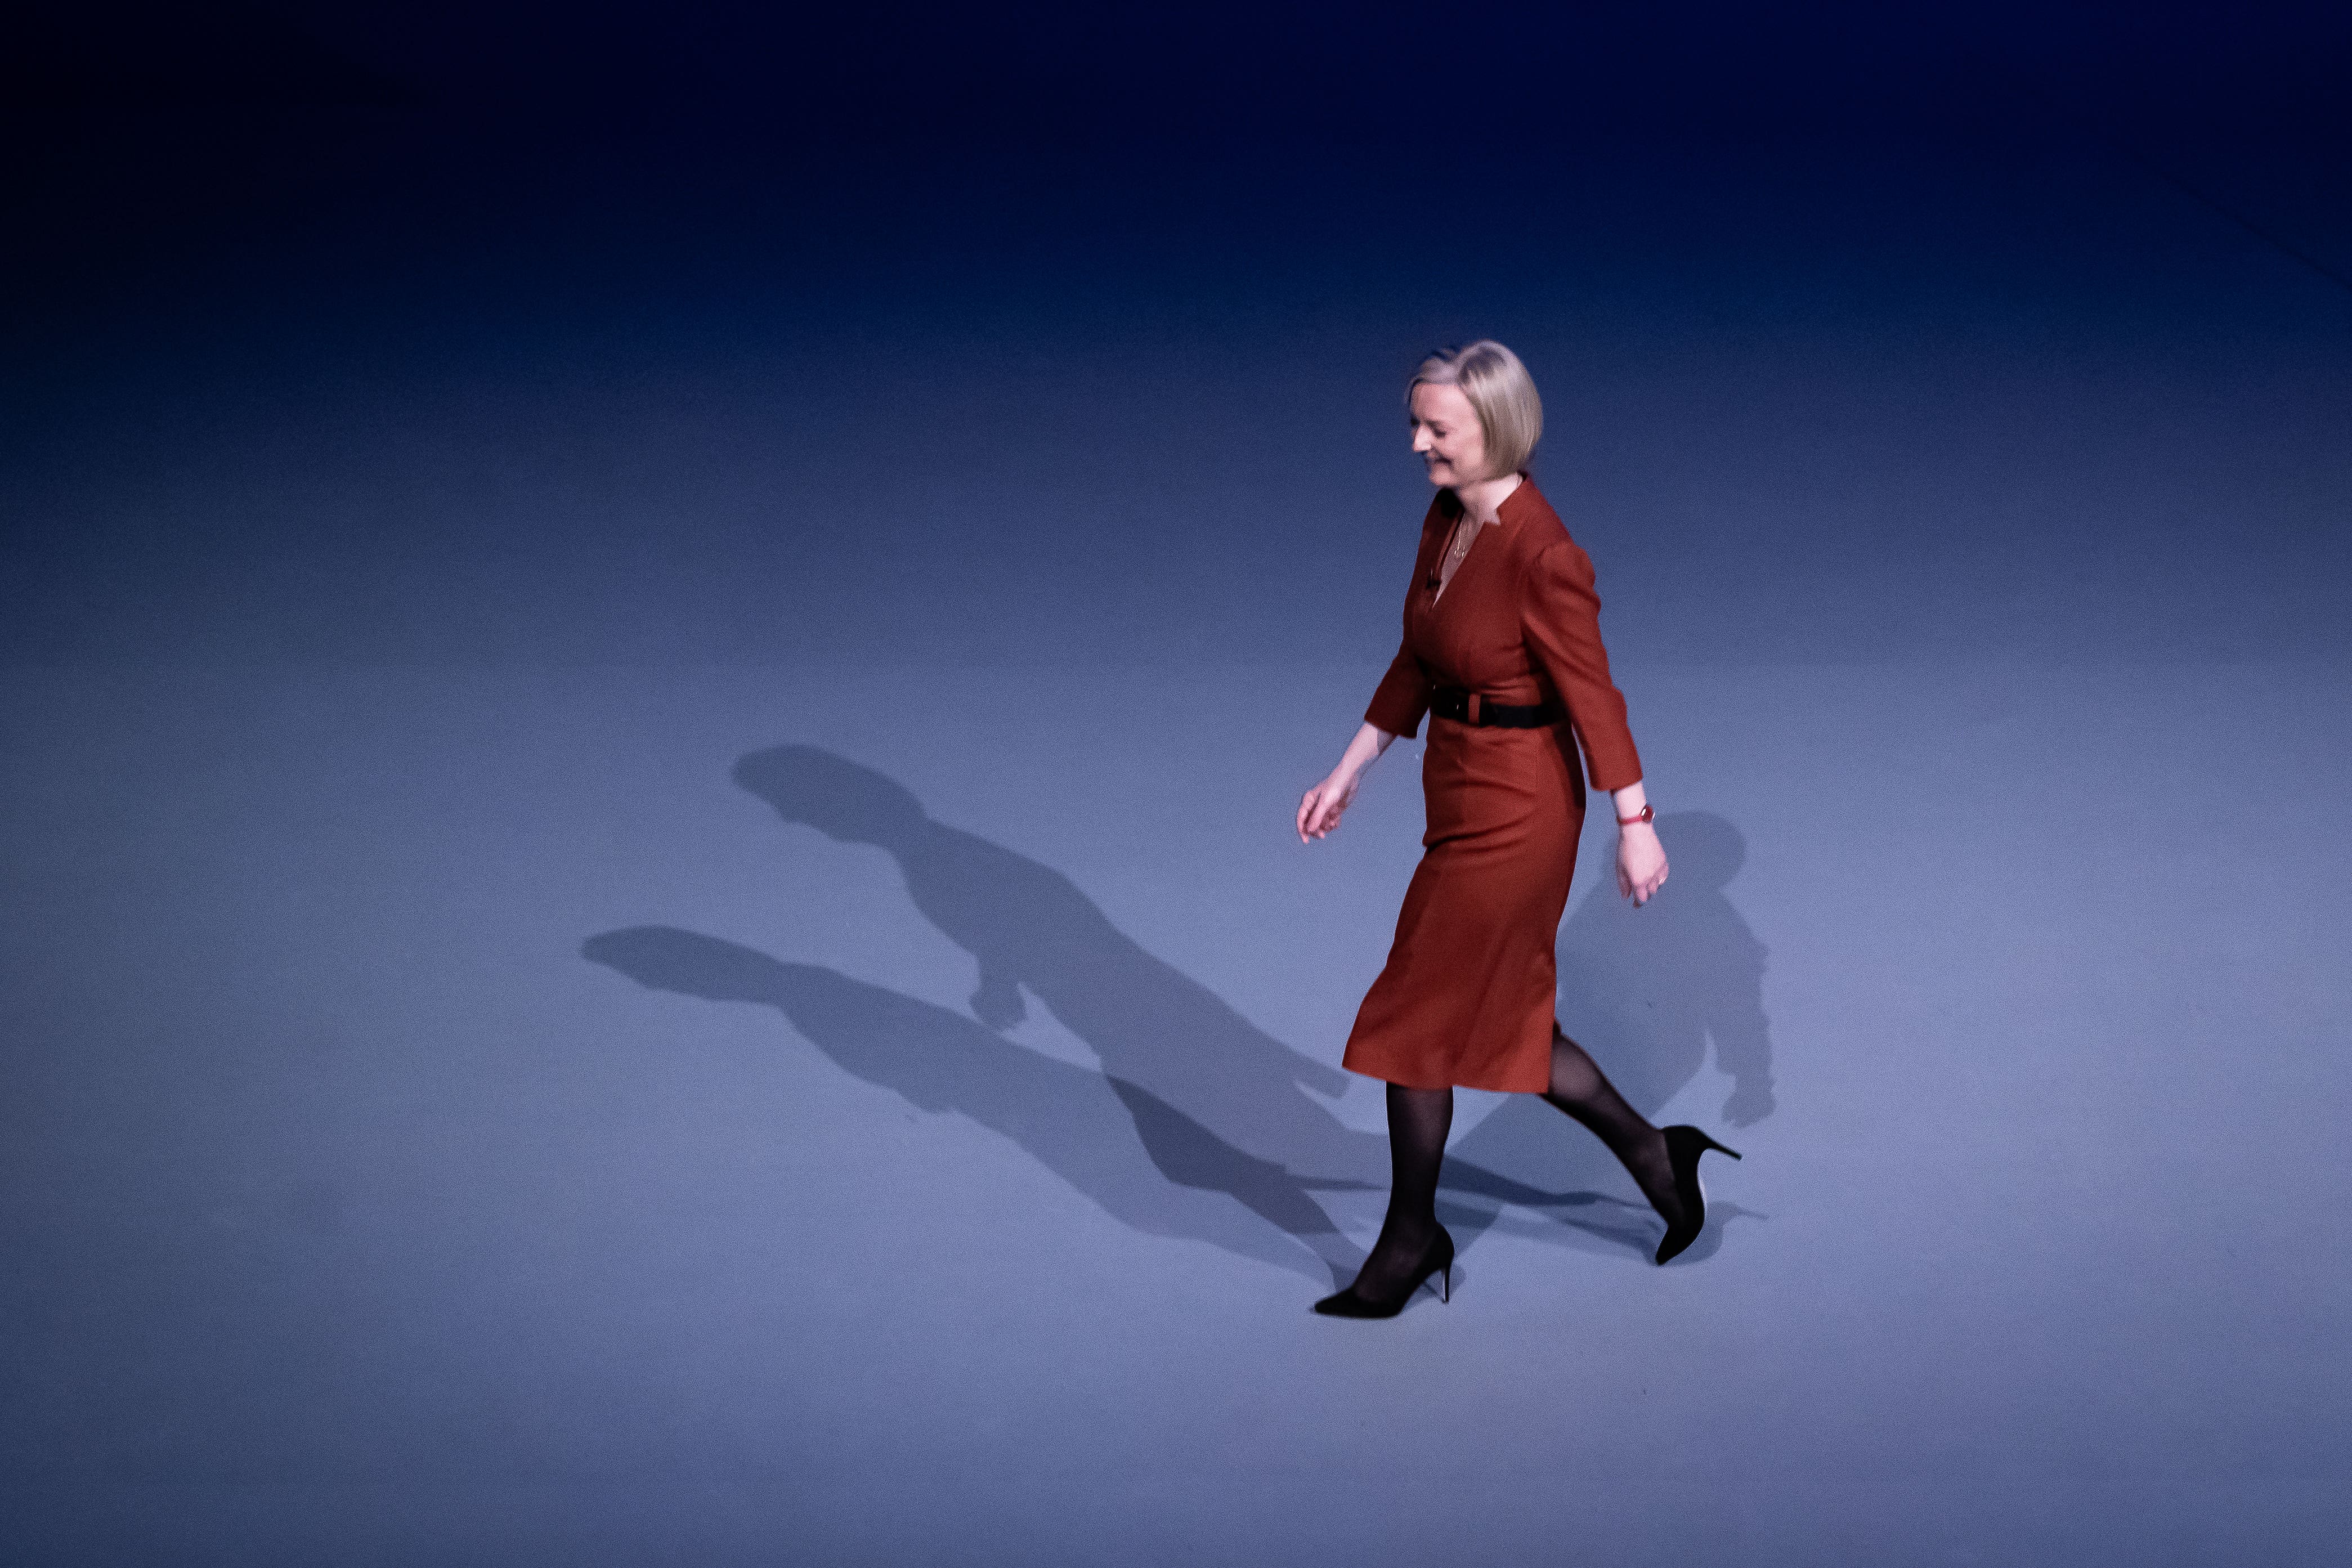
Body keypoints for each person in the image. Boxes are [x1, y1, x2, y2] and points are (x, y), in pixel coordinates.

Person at [1296, 340, 1739, 1318]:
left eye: (1436, 428)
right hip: (1457, 785)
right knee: (1508, 1023)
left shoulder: (1546, 553)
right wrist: (1350, 768)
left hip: (1524, 807)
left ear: (1494, 429)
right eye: (1415, 423)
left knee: (1415, 1020)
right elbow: (1419, 657)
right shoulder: (1448, 520)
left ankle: (1411, 1240)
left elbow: (1596, 697)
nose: (1416, 443)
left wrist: (1637, 822)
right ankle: (1655, 1154)